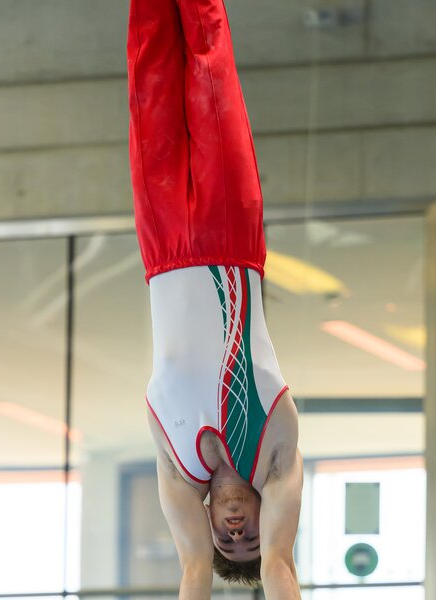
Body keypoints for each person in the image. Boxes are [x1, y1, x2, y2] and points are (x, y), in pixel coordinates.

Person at [126, 0, 303, 597]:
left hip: (162, 247)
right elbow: (279, 568)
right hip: (231, 237)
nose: (234, 531)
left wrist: (205, 561)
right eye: (249, 534)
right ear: (269, 519)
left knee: (149, 77)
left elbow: (192, 571)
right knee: (208, 65)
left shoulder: (178, 463)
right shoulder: (275, 451)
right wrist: (269, 558)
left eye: (227, 540)